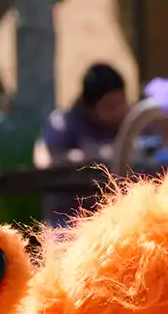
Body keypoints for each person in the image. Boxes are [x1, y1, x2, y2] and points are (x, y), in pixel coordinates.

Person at [35, 63, 133, 223]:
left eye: (121, 103)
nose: (118, 111)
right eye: (109, 106)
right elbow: (44, 160)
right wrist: (92, 155)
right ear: (89, 106)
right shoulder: (63, 123)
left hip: (116, 216)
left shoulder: (130, 121)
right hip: (69, 219)